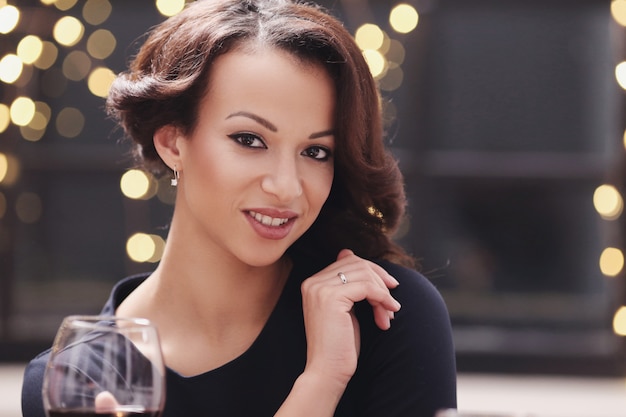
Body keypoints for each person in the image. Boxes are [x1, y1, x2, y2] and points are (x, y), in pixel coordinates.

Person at [21, 0, 457, 416]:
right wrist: (321, 382)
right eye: (250, 140)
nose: (286, 187)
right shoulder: (80, 381)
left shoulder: (385, 315)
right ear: (173, 141)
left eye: (317, 152)